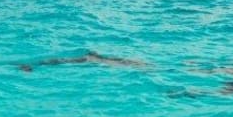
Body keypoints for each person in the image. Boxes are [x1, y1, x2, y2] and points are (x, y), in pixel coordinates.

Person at [18, 51, 147, 72]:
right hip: (87, 60)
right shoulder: (120, 62)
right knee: (60, 61)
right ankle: (27, 65)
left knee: (60, 61)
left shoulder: (119, 61)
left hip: (89, 59)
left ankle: (28, 65)